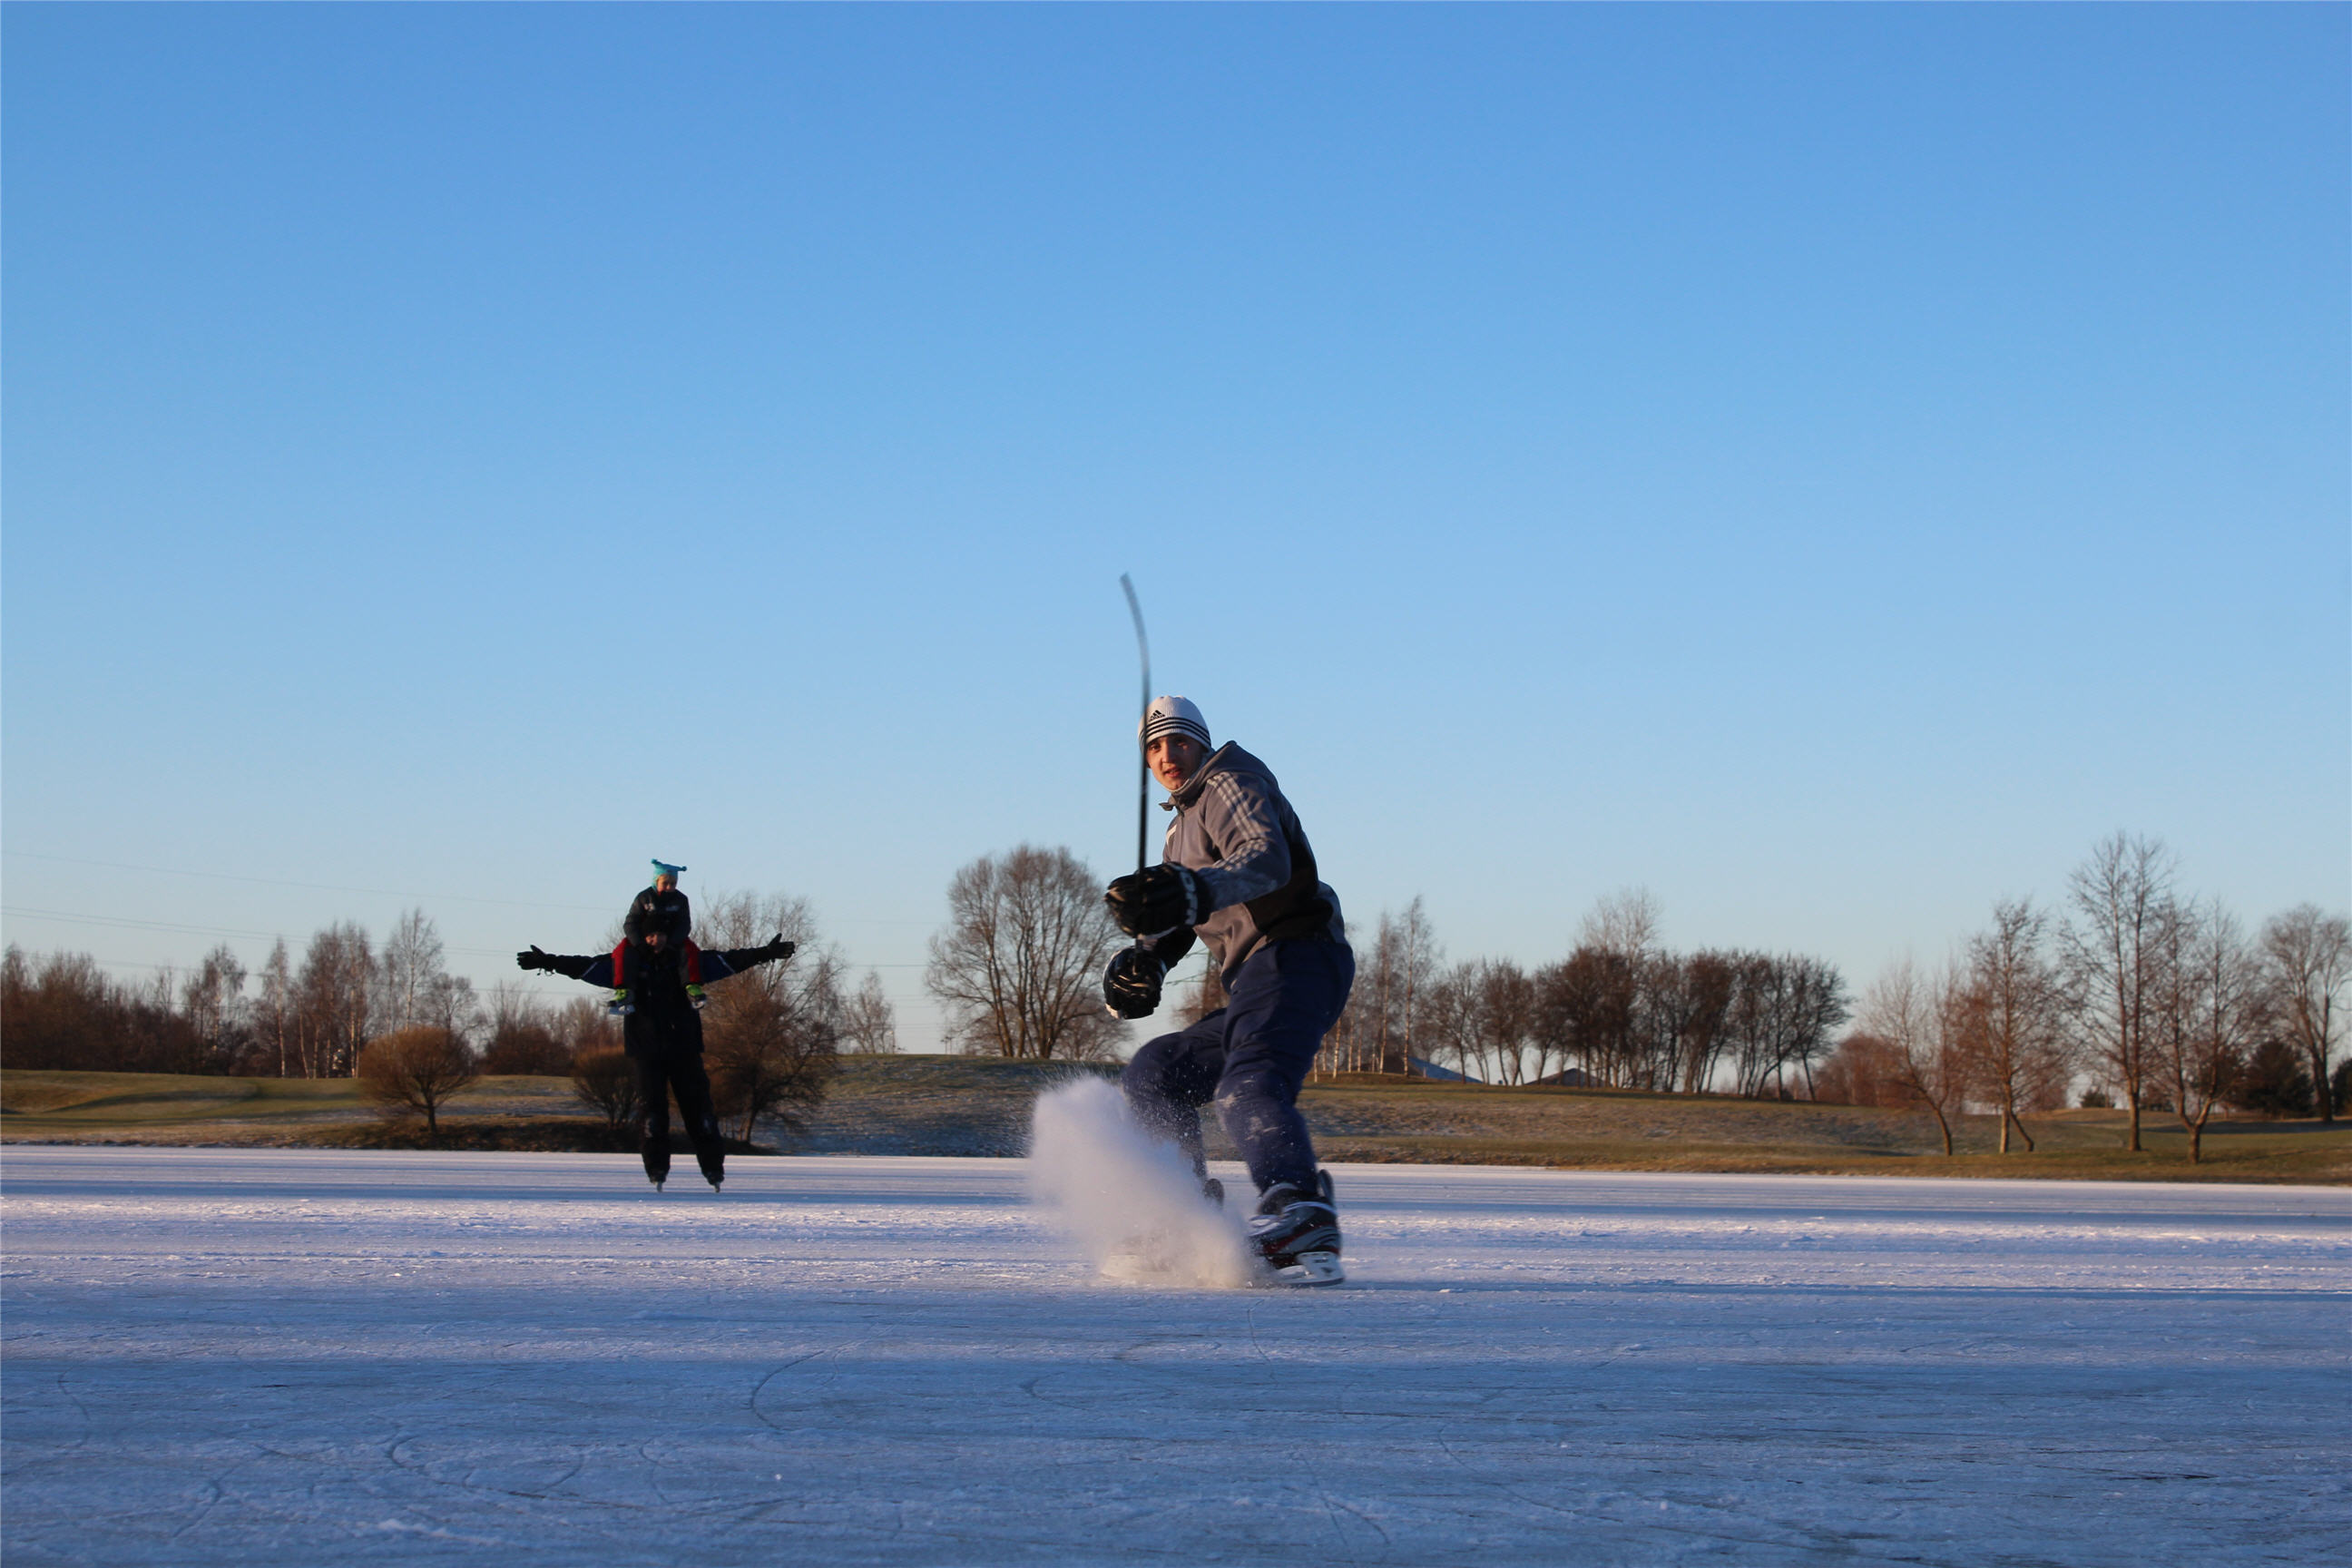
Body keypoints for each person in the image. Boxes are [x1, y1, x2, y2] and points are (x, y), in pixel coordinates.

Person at [1102, 695, 1356, 1285]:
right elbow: (1182, 920)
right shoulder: (1177, 833)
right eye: (1154, 747)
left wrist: (1189, 891)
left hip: (1298, 952)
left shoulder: (1229, 781)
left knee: (1248, 1085)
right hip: (1254, 982)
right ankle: (1184, 1217)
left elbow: (1264, 860)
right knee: (1155, 1073)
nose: (1167, 755)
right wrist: (1146, 962)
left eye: (1179, 741)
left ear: (1202, 742)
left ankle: (1300, 1210)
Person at [517, 929, 795, 1190]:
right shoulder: (627, 965)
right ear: (641, 936)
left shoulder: (687, 962)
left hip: (684, 1047)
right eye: (650, 935)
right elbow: (584, 967)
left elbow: (729, 961)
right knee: (652, 1113)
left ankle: (713, 1168)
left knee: (699, 1111)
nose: (656, 940)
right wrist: (548, 961)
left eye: (661, 934)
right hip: (646, 1050)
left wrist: (765, 953)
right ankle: (657, 1168)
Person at [612, 860, 705, 1014]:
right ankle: (623, 988)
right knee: (622, 952)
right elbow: (631, 923)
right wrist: (639, 944)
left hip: (670, 940)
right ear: (656, 881)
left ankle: (692, 985)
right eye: (665, 883)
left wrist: (672, 944)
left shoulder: (681, 899)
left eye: (673, 884)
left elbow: (683, 925)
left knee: (690, 950)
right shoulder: (644, 897)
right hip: (644, 940)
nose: (669, 887)